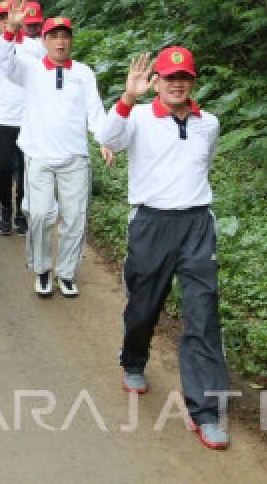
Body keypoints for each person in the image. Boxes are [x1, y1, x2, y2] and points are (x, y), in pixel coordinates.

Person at [97, 47, 231, 451]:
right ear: (156, 80)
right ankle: (133, 360)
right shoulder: (136, 117)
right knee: (144, 305)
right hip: (151, 223)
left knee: (203, 313)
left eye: (184, 77)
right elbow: (107, 139)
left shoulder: (209, 123)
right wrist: (127, 98)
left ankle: (204, 412)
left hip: (196, 224)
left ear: (192, 81)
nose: (177, 83)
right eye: (169, 77)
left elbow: (202, 162)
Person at [0, 0, 112, 299]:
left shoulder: (84, 73)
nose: (60, 42)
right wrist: (11, 30)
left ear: (71, 41)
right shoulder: (30, 69)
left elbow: (95, 112)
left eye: (65, 36)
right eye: (53, 36)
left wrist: (105, 139)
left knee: (75, 218)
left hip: (75, 157)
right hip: (38, 155)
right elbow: (5, 63)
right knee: (39, 215)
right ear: (44, 40)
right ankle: (42, 269)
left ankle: (66, 273)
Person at [0, 0, 41, 236]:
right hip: (1, 117)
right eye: (2, 18)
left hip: (29, 117)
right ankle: (5, 206)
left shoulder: (35, 48)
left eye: (11, 17)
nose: (7, 22)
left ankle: (21, 213)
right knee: (2, 168)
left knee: (26, 169)